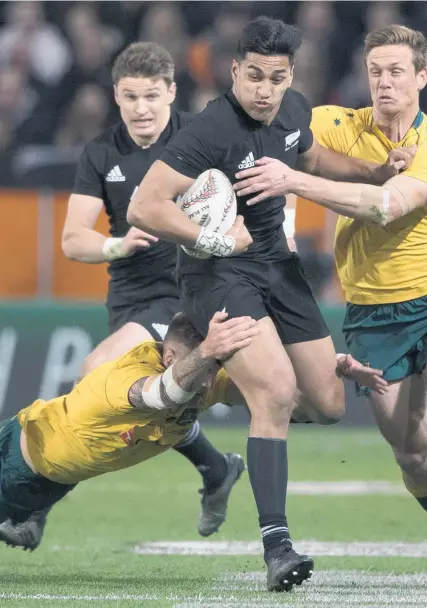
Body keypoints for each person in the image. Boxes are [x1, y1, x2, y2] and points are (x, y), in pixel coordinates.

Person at [127, 17, 399, 592]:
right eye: (254, 76)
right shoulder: (209, 130)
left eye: (276, 78)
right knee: (276, 392)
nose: (264, 90)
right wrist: (218, 240)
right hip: (218, 273)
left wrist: (375, 172)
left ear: (290, 77)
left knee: (326, 404)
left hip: (280, 267)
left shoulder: (294, 109)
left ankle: (215, 382)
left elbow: (314, 160)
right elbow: (145, 207)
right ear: (235, 72)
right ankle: (277, 546)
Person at [0, 42, 243, 552]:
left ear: (172, 92)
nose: (142, 108)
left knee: (94, 379)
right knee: (151, 402)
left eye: (152, 95)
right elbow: (73, 239)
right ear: (116, 96)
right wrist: (118, 243)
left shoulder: (202, 139)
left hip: (184, 293)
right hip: (129, 298)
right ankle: (216, 468)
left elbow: (241, 207)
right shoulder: (102, 153)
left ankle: (36, 507)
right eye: (130, 96)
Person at [0, 312, 387, 571]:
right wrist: (205, 353)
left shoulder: (205, 378)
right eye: (209, 365)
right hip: (9, 464)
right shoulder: (123, 376)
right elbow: (155, 396)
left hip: (52, 483)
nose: (214, 382)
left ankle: (217, 470)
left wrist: (327, 376)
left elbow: (287, 402)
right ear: (173, 358)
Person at [242, 26, 427, 515]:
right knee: (412, 453)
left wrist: (294, 181)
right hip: (374, 312)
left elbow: (387, 204)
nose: (384, 82)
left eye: (396, 71)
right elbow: (266, 125)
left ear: (421, 77)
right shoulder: (336, 125)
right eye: (375, 72)